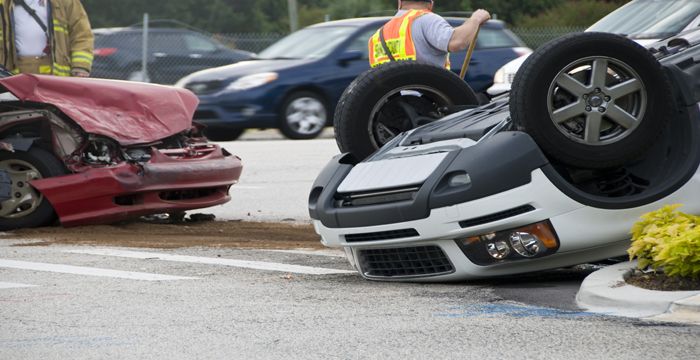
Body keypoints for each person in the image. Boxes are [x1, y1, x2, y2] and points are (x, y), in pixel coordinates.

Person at [369, 0, 491, 69]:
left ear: (400, 3)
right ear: (431, 3)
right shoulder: (426, 19)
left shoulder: (376, 36)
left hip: (391, 105)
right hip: (426, 102)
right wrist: (476, 18)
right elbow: (456, 42)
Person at [0, 0, 94, 77]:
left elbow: (82, 35)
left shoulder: (66, 2)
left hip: (57, 78)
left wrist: (81, 66)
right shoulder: (3, 4)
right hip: (14, 76)